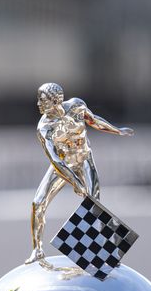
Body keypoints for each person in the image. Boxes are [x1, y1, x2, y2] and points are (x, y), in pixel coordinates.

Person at [26, 82, 133, 263]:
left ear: (55, 100)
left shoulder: (76, 105)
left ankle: (105, 250)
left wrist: (117, 131)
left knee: (94, 203)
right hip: (63, 166)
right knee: (38, 203)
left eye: (42, 100)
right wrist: (75, 182)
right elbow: (56, 160)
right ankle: (37, 249)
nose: (38, 104)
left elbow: (94, 120)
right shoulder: (44, 127)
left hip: (83, 160)